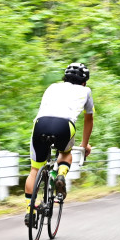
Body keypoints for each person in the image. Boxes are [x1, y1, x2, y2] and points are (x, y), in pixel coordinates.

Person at [24, 63, 94, 219]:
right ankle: (61, 174)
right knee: (66, 154)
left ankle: (30, 210)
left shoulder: (52, 87)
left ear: (65, 77)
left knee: (34, 170)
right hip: (64, 126)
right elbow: (89, 120)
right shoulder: (85, 91)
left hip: (40, 124)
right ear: (84, 82)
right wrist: (84, 145)